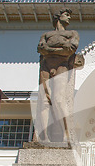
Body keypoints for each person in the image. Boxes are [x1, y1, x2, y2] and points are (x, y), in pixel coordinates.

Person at [35, 8, 83, 144]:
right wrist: (60, 46)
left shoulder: (72, 33)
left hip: (62, 67)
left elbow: (70, 49)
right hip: (45, 67)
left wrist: (50, 50)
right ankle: (43, 137)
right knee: (44, 102)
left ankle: (66, 134)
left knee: (58, 100)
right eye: (66, 15)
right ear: (58, 16)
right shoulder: (46, 34)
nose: (69, 18)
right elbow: (41, 48)